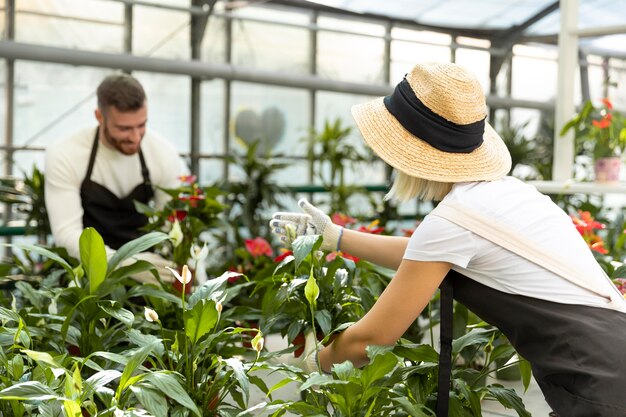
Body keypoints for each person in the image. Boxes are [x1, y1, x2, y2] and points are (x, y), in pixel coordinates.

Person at [270, 62, 626, 417]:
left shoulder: (454, 221)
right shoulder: (507, 194)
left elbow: (370, 341)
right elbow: (425, 255)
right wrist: (338, 237)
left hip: (599, 386)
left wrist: (313, 363)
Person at [45, 73, 186, 283]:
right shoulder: (66, 154)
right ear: (99, 117)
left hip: (148, 272)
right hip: (85, 275)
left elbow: (174, 227)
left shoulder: (162, 154)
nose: (136, 137)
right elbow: (66, 233)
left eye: (142, 125)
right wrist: (124, 263)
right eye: (124, 128)